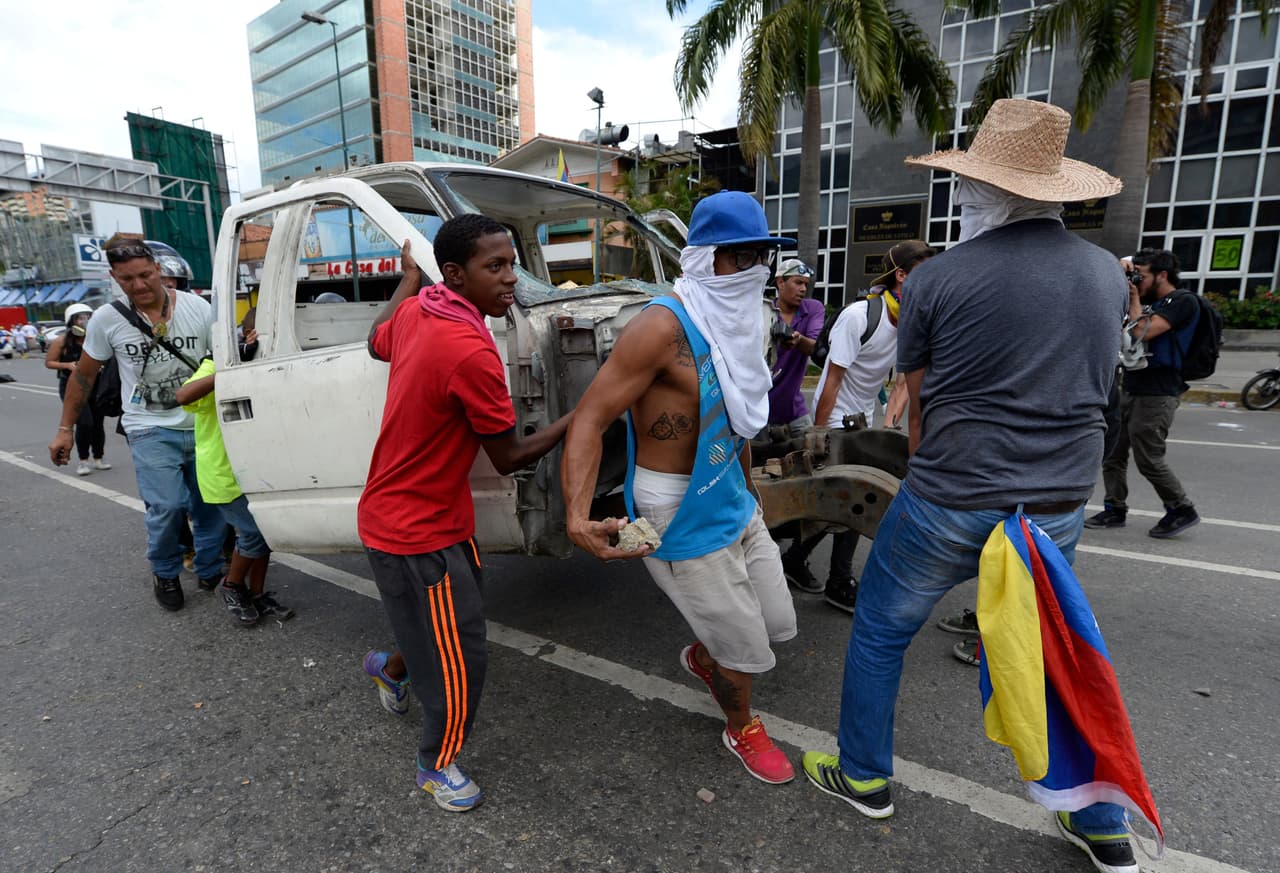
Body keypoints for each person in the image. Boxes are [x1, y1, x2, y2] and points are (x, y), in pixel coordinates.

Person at [800, 100, 1142, 873]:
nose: (962, 201)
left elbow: (916, 401)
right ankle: (1099, 819)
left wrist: (923, 474)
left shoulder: (938, 279)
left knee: (883, 631)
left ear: (985, 191)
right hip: (1056, 503)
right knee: (1051, 644)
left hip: (950, 497)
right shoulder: (1102, 272)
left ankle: (864, 777)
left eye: (967, 188)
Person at [562, 190, 798, 786]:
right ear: (703, 258)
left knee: (775, 622)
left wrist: (749, 491)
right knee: (744, 652)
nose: (750, 271)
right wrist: (576, 515)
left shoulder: (749, 318)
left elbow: (740, 414)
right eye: (736, 257)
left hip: (731, 495)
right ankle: (740, 723)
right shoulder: (660, 328)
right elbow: (590, 419)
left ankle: (705, 651)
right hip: (673, 505)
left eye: (758, 257)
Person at [358, 217, 572, 812]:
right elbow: (508, 457)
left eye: (512, 264)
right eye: (496, 268)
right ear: (455, 273)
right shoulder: (470, 347)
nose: (511, 280)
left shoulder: (421, 306)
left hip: (414, 520)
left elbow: (374, 336)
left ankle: (390, 668)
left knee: (442, 630)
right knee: (461, 661)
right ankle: (435, 762)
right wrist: (587, 415)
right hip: (414, 534)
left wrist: (405, 280)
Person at [48, 239, 224, 611]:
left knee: (210, 506)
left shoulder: (198, 308)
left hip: (202, 424)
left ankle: (211, 568)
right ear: (115, 278)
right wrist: (65, 429)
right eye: (128, 279)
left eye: (145, 275)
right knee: (168, 506)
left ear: (158, 269)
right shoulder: (107, 319)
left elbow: (223, 359)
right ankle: (165, 570)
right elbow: (84, 376)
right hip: (148, 427)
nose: (139, 285)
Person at [781, 240, 935, 613]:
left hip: (863, 417)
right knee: (851, 499)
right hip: (834, 415)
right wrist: (818, 435)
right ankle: (838, 579)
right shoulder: (859, 316)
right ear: (901, 276)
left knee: (846, 503)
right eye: (924, 274)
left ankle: (795, 559)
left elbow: (900, 385)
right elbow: (831, 380)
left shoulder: (913, 323)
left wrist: (890, 426)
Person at [1085, 248, 1201, 538]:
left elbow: (1141, 333)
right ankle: (1114, 508)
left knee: (1149, 457)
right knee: (1113, 452)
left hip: (1159, 391)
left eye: (1143, 275)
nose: (1137, 280)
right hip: (1133, 385)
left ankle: (1181, 508)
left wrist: (1135, 297)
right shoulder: (1151, 301)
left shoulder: (1181, 301)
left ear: (1162, 275)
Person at [176, 350, 293, 627]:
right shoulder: (213, 363)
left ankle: (256, 593)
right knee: (254, 531)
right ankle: (232, 585)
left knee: (265, 532)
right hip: (223, 473)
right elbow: (183, 396)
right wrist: (227, 374)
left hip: (255, 469)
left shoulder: (263, 362)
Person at [45, 303, 110, 476]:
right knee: (84, 423)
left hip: (96, 386)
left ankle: (98, 457)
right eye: (80, 318)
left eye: (88, 317)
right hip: (72, 386)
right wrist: (68, 365)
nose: (85, 321)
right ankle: (83, 461)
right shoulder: (62, 341)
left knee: (98, 423)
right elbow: (49, 362)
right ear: (71, 321)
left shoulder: (96, 339)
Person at [764, 258, 824, 435]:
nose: (803, 289)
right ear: (780, 282)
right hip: (759, 414)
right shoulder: (764, 311)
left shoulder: (813, 309)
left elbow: (815, 347)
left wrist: (798, 341)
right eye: (798, 283)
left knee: (815, 455)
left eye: (805, 284)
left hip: (795, 412)